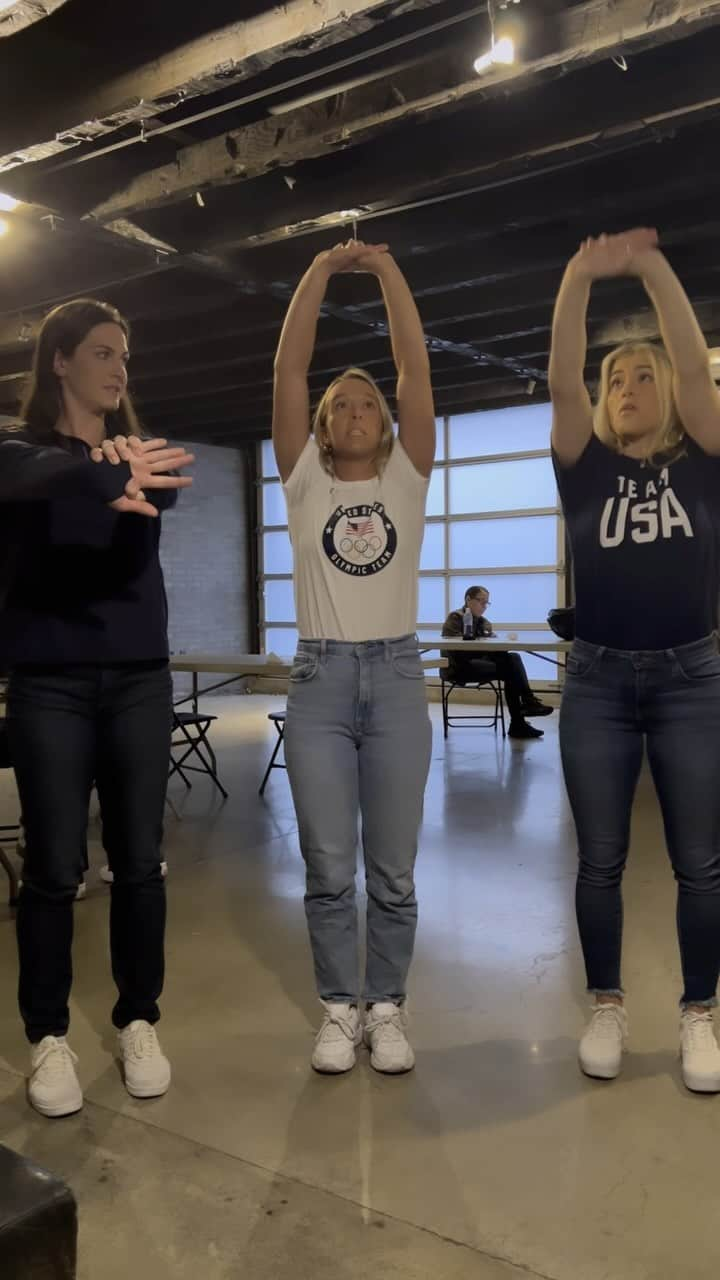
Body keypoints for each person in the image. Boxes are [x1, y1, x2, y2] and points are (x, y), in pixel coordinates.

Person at [0, 298, 194, 1117]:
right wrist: (103, 477)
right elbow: (28, 482)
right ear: (61, 362)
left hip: (140, 677)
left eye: (126, 355)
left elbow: (129, 549)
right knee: (53, 869)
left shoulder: (138, 456)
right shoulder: (21, 453)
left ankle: (138, 1018)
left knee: (139, 863)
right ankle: (47, 1036)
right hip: (51, 680)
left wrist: (121, 480)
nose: (119, 368)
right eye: (104, 352)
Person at [549, 227, 720, 1092]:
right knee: (600, 859)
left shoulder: (705, 465)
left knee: (701, 861)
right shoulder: (581, 469)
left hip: (692, 679)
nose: (626, 387)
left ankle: (699, 1014)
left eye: (640, 375)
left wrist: (650, 267)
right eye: (615, 379)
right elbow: (560, 374)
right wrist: (579, 276)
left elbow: (694, 367)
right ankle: (607, 1005)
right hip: (599, 682)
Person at [272, 239, 435, 1075]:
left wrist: (384, 273)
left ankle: (389, 1005)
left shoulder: (407, 479)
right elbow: (288, 374)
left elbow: (413, 369)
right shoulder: (305, 484)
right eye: (339, 405)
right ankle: (341, 1006)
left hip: (401, 680)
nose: (354, 410)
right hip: (321, 683)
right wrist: (319, 274)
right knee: (329, 863)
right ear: (322, 429)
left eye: (366, 401)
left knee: (393, 869)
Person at [442, 585, 553, 738]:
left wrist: (494, 646)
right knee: (511, 667)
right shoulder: (455, 618)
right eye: (481, 601)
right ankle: (523, 713)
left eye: (487, 603)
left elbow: (490, 647)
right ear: (468, 599)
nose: (484, 606)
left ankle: (523, 714)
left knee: (512, 659)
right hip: (458, 667)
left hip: (478, 664)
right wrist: (487, 648)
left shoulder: (484, 623)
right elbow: (459, 651)